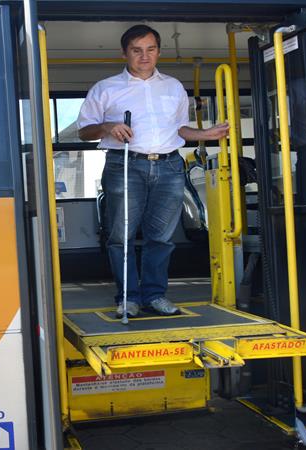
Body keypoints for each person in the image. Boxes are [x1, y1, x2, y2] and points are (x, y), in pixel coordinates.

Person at [77, 25, 229, 318]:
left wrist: (206, 133)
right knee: (121, 236)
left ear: (159, 51)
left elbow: (180, 129)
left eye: (150, 49)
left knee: (161, 238)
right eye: (137, 50)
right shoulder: (106, 88)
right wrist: (108, 127)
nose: (144, 56)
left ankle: (154, 295)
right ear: (125, 53)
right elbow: (85, 131)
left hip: (171, 165)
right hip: (126, 164)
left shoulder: (173, 87)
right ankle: (128, 298)